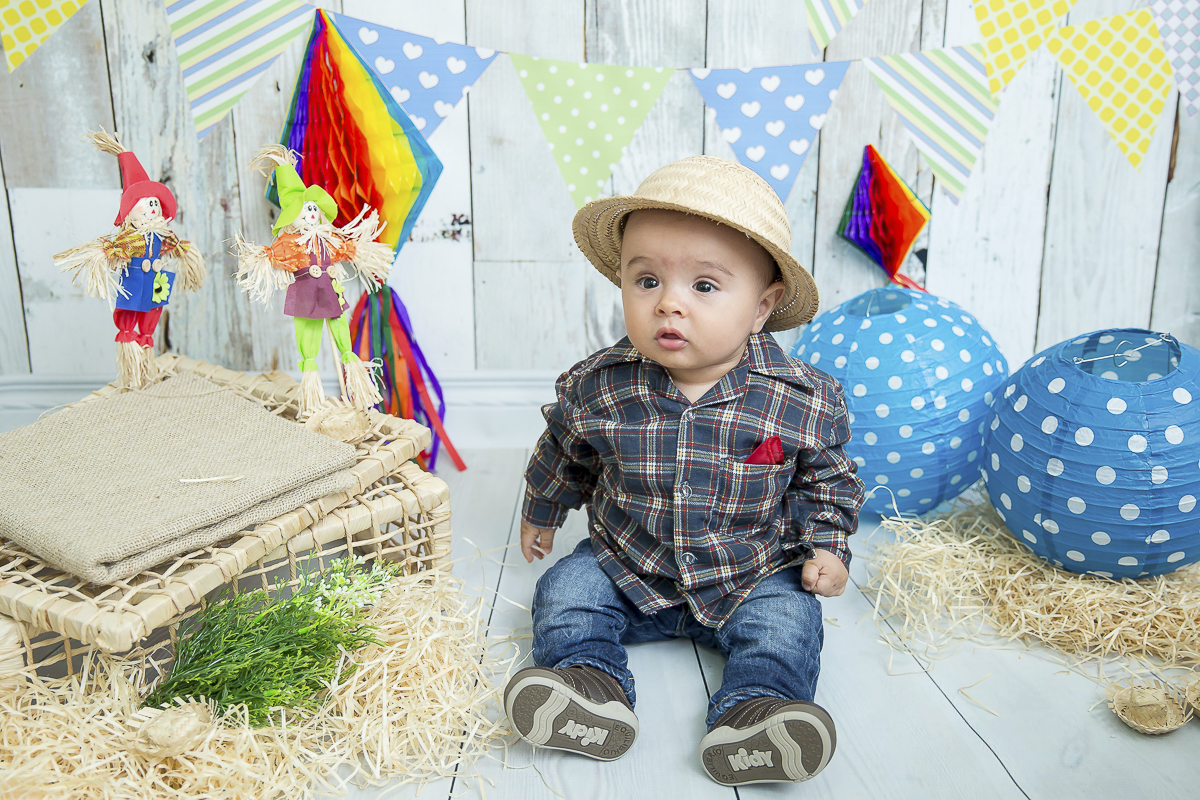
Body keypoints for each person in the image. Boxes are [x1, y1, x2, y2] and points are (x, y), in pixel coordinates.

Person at [502, 155, 865, 786]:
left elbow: (824, 481)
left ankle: (757, 712)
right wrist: (542, 510)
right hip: (628, 563)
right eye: (647, 282)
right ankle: (588, 687)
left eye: (704, 286)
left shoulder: (799, 398)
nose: (669, 304)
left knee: (789, 621)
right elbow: (564, 450)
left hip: (748, 571)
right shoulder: (601, 386)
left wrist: (828, 545)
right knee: (566, 592)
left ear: (761, 306)